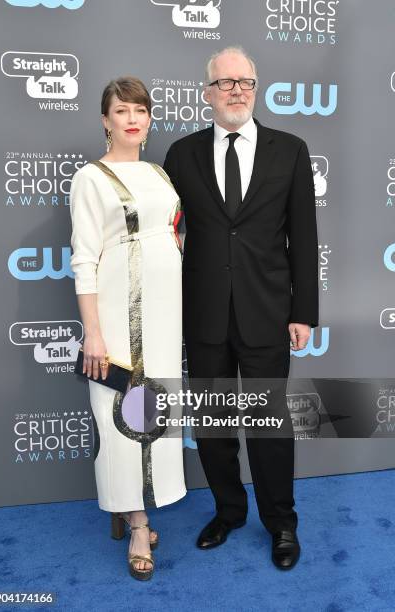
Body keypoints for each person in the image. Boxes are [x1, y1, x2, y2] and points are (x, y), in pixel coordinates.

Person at [164, 47, 318, 570]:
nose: (235, 89)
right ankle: (228, 511)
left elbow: (303, 235)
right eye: (224, 82)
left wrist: (304, 312)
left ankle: (281, 523)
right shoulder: (181, 155)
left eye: (244, 81)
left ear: (256, 89)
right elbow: (169, 237)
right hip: (202, 313)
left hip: (267, 312)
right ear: (207, 93)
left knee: (270, 427)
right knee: (212, 424)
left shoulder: (290, 150)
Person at [70, 76, 186, 580]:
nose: (133, 119)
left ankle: (144, 501)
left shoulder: (159, 173)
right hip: (117, 313)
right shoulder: (90, 178)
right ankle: (135, 521)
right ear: (105, 120)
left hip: (163, 314)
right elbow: (84, 259)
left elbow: (171, 233)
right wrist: (92, 332)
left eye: (140, 110)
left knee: (155, 405)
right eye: (121, 111)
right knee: (118, 407)